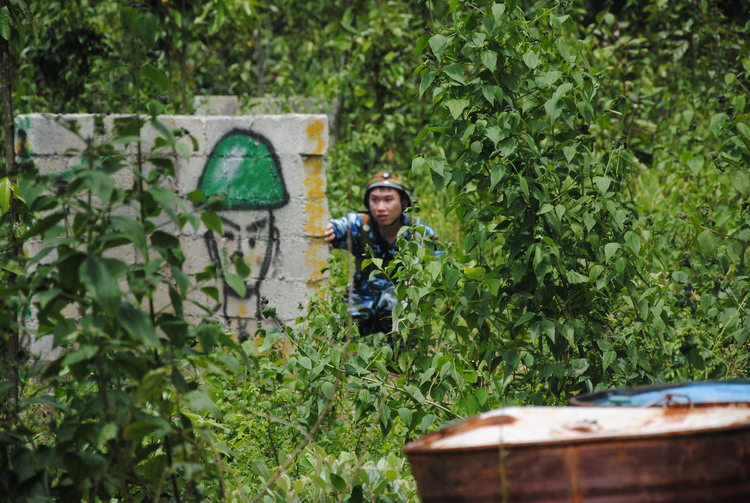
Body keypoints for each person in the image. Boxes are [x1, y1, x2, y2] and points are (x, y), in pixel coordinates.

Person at [324, 171, 438, 335]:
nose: (380, 208)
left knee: (405, 330)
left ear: (404, 202)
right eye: (374, 200)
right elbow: (338, 227)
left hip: (401, 302)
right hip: (361, 298)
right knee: (337, 331)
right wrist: (329, 229)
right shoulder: (360, 224)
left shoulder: (420, 233)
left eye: (388, 200)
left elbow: (436, 271)